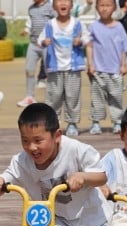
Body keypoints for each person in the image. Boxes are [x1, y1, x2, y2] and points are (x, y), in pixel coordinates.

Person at [38, 0, 89, 137]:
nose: (63, 4)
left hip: (73, 67)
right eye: (59, 1)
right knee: (53, 97)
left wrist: (81, 42)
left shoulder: (77, 24)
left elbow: (87, 38)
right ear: (54, 6)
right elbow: (40, 40)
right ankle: (52, 123)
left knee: (73, 96)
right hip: (55, 67)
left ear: (72, 5)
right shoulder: (50, 25)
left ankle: (72, 123)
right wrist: (44, 42)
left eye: (66, 1)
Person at [86, 0, 127, 135]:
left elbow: (123, 48)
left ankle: (117, 122)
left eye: (108, 5)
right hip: (98, 71)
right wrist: (90, 64)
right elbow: (89, 46)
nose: (105, 9)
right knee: (97, 98)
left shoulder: (119, 27)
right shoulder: (93, 27)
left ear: (114, 8)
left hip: (115, 71)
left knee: (116, 97)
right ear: (96, 8)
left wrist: (124, 65)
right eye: (102, 5)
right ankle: (96, 122)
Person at [18, 0, 55, 108]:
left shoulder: (50, 7)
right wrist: (26, 30)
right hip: (33, 44)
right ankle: (30, 96)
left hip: (47, 44)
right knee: (29, 69)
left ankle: (52, 98)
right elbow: (29, 23)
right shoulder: (31, 9)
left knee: (50, 71)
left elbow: (56, 21)